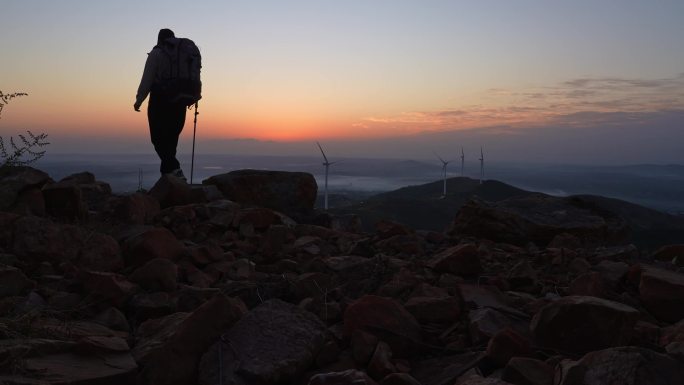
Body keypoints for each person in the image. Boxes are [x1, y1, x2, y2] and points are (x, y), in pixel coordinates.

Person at [134, 28, 187, 180]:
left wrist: (139, 99)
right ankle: (168, 176)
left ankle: (175, 170)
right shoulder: (183, 56)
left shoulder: (156, 53)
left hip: (161, 101)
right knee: (171, 140)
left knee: (158, 139)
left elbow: (147, 78)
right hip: (180, 102)